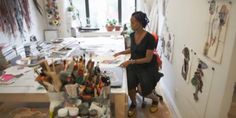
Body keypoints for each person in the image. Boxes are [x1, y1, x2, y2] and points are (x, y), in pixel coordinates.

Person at [114, 11, 161, 117]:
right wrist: (120, 52)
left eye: (133, 22)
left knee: (143, 90)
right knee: (130, 83)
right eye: (131, 22)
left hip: (146, 66)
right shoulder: (132, 35)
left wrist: (131, 61)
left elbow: (148, 59)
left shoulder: (150, 38)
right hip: (134, 63)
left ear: (140, 23)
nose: (131, 25)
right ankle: (134, 104)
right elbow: (133, 49)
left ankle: (155, 100)